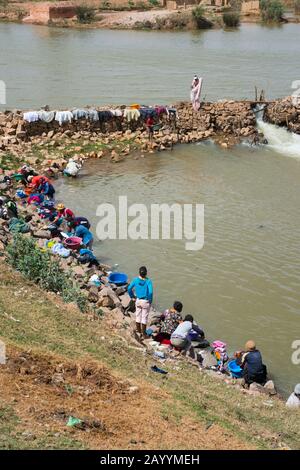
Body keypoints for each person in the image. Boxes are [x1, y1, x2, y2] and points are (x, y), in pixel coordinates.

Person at [128, 266, 153, 340]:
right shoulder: (148, 281)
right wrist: (150, 300)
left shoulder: (135, 280)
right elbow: (150, 292)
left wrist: (132, 296)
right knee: (144, 318)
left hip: (138, 300)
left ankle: (139, 331)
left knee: (138, 315)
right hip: (145, 301)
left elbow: (129, 288)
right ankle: (144, 334)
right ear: (146, 273)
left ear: (139, 273)